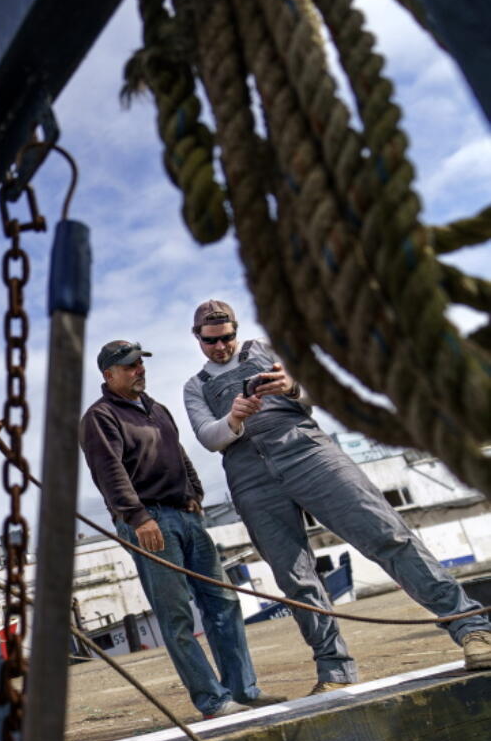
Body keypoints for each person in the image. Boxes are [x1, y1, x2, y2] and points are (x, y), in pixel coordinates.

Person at [182, 299, 491, 694]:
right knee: (295, 579)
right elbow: (208, 437)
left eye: (226, 338)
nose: (220, 347)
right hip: (248, 472)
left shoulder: (270, 349)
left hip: (306, 450)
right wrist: (234, 417)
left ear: (236, 330)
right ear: (198, 338)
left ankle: (472, 629)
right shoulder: (196, 386)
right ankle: (334, 670)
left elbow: (319, 392)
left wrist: (291, 387)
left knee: (386, 533)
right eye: (210, 342)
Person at [81, 340, 286, 718]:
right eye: (130, 366)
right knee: (175, 616)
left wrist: (195, 494)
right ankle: (213, 700)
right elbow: (108, 473)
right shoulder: (100, 417)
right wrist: (139, 518)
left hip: (186, 515)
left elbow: (179, 454)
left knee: (222, 602)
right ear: (108, 375)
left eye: (141, 363)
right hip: (150, 522)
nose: (139, 370)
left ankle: (244, 690)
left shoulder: (156, 409)